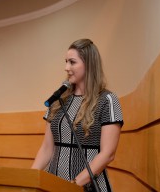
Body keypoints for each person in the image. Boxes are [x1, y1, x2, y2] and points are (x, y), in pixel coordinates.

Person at [31, 39, 123, 192]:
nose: (66, 68)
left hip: (88, 187)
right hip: (53, 185)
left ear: (89, 64)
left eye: (72, 62)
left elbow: (108, 154)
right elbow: (47, 148)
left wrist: (72, 186)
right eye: (66, 62)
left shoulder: (107, 100)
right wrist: (29, 180)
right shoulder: (57, 100)